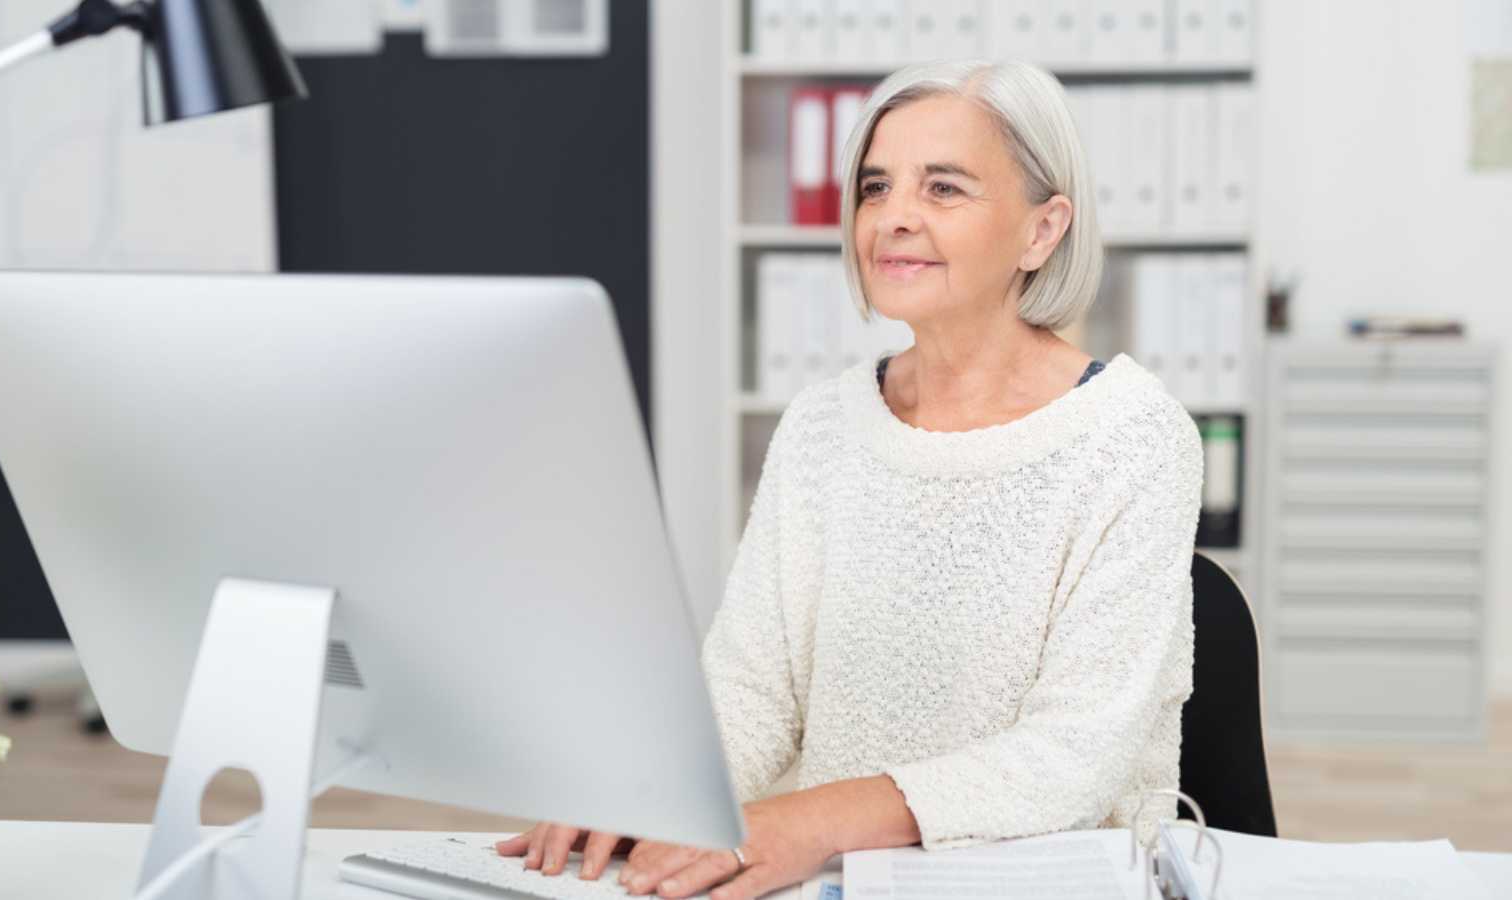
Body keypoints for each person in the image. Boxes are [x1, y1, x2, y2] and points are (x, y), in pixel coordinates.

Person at [496, 58, 1201, 900]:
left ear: (1041, 231)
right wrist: (654, 790)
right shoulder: (823, 425)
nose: (894, 218)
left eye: (943, 189)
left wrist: (813, 818)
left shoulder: (1132, 434)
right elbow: (754, 688)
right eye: (874, 187)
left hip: (1046, 879)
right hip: (836, 881)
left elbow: (1075, 755)